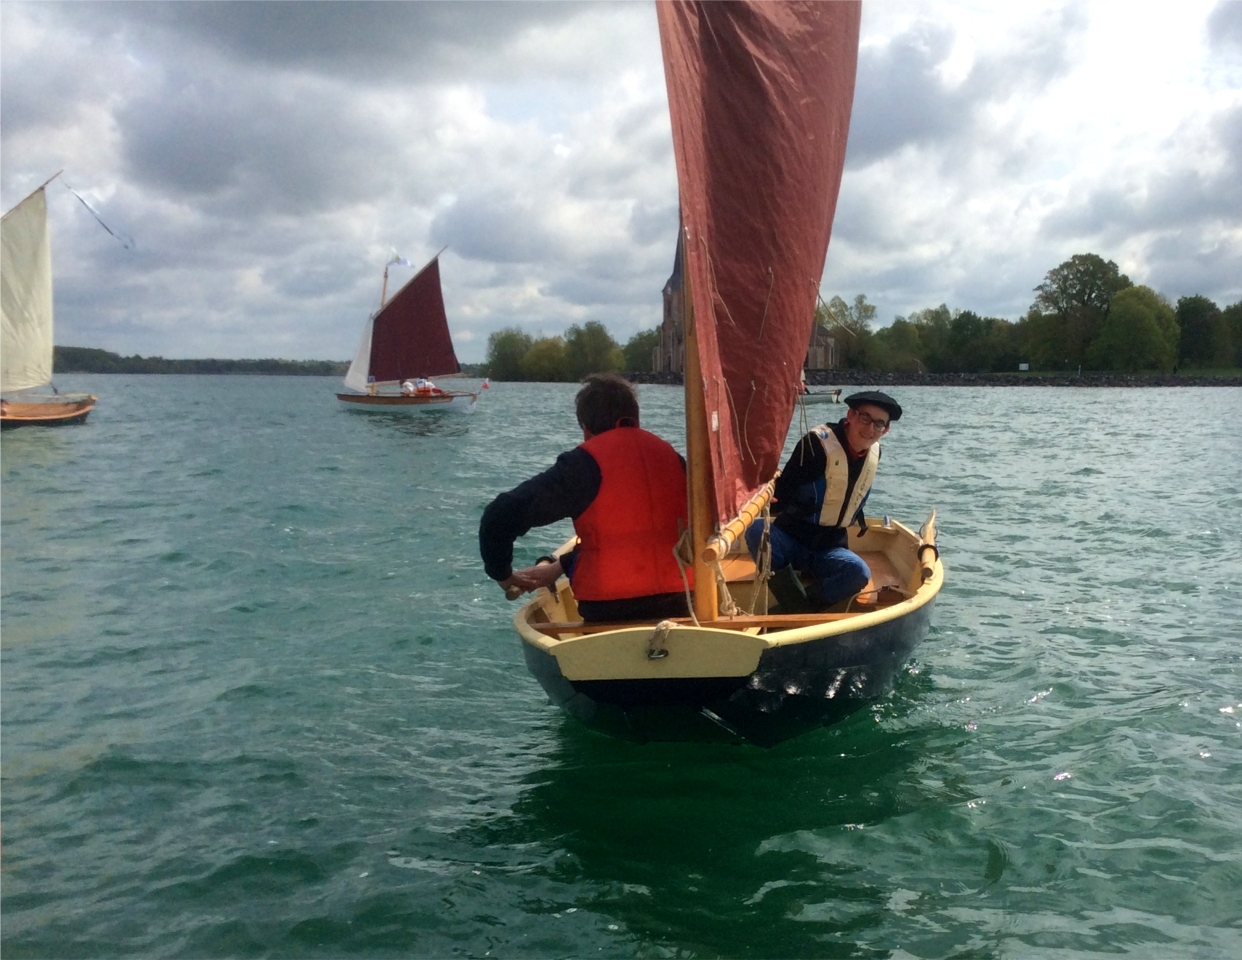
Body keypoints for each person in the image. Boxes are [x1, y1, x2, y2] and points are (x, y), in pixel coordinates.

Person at [479, 373, 692, 622]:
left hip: (608, 611)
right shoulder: (675, 459)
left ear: (585, 428)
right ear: (635, 419)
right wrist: (561, 565)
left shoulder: (582, 466)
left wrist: (503, 575)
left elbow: (499, 515)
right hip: (684, 603)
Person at [745, 390, 903, 612]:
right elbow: (783, 492)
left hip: (829, 548)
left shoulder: (874, 452)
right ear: (850, 415)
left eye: (878, 424)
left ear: (885, 430)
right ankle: (796, 606)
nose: (869, 429)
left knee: (859, 573)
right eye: (865, 418)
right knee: (756, 530)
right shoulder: (816, 444)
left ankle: (794, 610)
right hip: (792, 540)